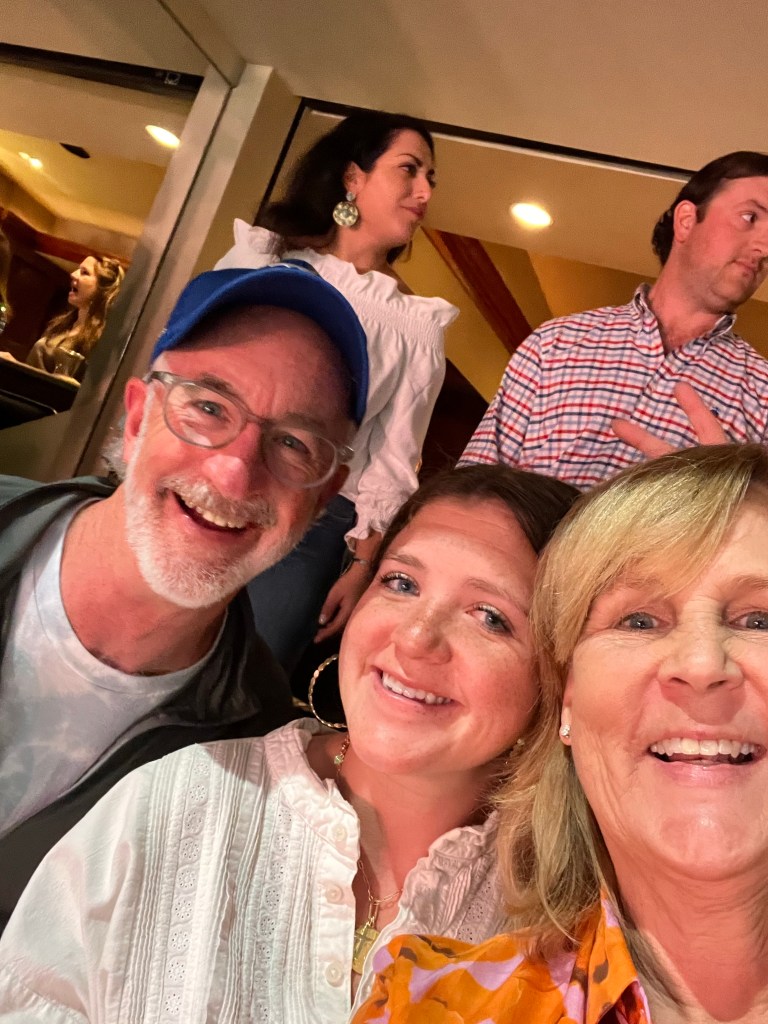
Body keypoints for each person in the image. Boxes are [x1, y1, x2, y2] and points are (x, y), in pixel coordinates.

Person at [0, 464, 578, 1021]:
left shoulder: (574, 915)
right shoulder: (173, 802)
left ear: (563, 677)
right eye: (401, 583)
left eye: (491, 617)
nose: (416, 637)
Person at [0, 261, 369, 932]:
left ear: (322, 499)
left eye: (293, 443)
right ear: (138, 417)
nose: (234, 472)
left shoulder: (255, 749)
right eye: (208, 407)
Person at [354, 443, 768, 1023]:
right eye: (638, 621)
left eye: (760, 620)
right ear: (565, 699)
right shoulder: (424, 1004)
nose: (700, 663)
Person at [216, 109, 458, 673]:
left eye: (430, 179)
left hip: (312, 523)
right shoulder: (262, 261)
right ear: (354, 177)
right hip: (215, 475)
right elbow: (187, 365)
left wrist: (361, 568)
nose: (424, 192)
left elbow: (393, 458)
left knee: (249, 677)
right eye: (409, 170)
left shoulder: (415, 324)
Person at [461, 151, 768, 487]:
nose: (765, 246)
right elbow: (470, 488)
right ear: (685, 221)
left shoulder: (763, 392)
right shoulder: (554, 342)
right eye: (750, 217)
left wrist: (729, 504)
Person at [25, 255, 124, 380]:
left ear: (102, 289)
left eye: (84, 272)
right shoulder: (62, 324)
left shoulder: (102, 340)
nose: (73, 274)